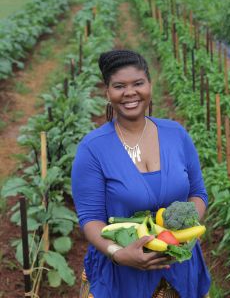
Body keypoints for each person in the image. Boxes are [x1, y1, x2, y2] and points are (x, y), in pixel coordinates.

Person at [71, 49, 211, 298]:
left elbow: (198, 193)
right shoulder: (93, 149)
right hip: (121, 277)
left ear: (149, 85)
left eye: (138, 83)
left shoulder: (176, 134)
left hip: (181, 266)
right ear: (108, 92)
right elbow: (90, 219)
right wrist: (118, 253)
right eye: (119, 86)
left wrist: (182, 234)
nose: (129, 93)